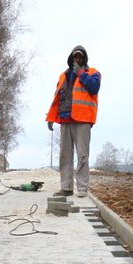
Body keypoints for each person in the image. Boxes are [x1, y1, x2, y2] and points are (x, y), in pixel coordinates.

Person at [46, 45, 101, 198]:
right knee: (65, 155)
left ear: (84, 59)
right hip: (65, 118)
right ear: (71, 59)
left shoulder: (93, 73)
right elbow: (57, 98)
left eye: (80, 57)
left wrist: (81, 74)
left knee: (82, 155)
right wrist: (51, 117)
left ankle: (82, 189)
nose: (77, 59)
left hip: (83, 120)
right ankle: (66, 187)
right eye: (75, 57)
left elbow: (94, 88)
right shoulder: (63, 76)